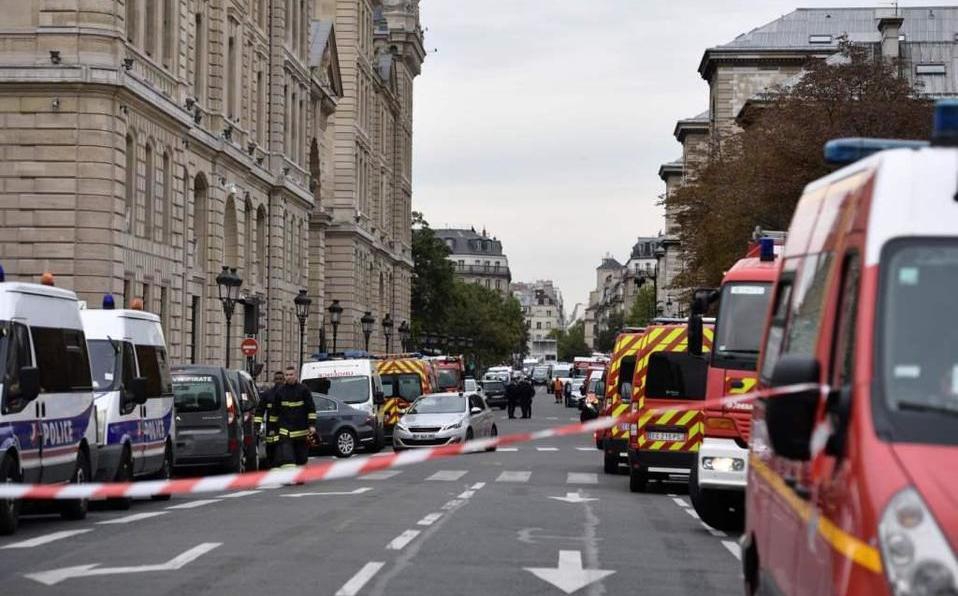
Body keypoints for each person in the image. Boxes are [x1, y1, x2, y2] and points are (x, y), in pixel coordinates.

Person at [274, 366, 317, 469]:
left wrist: (312, 425)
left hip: (301, 431)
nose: (289, 377)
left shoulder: (304, 390)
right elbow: (275, 412)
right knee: (288, 457)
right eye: (287, 375)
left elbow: (311, 409)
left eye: (291, 374)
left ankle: (300, 475)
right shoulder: (280, 392)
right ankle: (290, 476)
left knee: (301, 458)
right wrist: (274, 429)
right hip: (285, 432)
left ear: (296, 375)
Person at [253, 371, 285, 468]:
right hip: (272, 429)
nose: (279, 381)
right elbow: (260, 410)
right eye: (277, 379)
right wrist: (257, 424)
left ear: (284, 380)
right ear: (274, 380)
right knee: (271, 451)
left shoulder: (289, 392)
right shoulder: (268, 394)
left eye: (281, 379)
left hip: (287, 427)